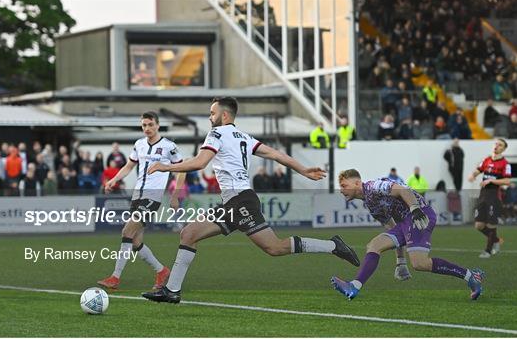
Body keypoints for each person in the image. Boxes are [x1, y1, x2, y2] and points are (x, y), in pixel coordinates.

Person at [142, 96, 359, 303]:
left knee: (275, 248)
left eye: (212, 113)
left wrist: (166, 166)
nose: (210, 117)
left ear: (224, 115)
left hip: (240, 202)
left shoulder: (216, 134)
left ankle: (332, 245)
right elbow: (275, 154)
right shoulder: (243, 137)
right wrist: (302, 169)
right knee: (189, 233)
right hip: (234, 202)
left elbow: (200, 163)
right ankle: (172, 290)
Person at [331, 169, 484, 301]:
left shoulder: (374, 186)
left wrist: (415, 209)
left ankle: (471, 276)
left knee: (419, 263)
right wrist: (400, 261)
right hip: (405, 222)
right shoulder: (371, 204)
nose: (342, 190)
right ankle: (354, 286)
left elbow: (402, 190)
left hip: (419, 214)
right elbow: (392, 227)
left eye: (344, 186)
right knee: (374, 245)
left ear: (357, 183)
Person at [97, 111, 185, 291]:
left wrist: (175, 195)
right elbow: (129, 166)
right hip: (137, 195)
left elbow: (182, 169)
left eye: (150, 124)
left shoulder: (169, 146)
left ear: (158, 125)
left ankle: (115, 277)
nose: (147, 128)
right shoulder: (139, 145)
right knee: (135, 241)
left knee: (126, 231)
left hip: (153, 197)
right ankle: (161, 271)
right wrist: (113, 180)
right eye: (144, 125)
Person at [468, 139, 512, 258]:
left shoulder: (505, 164)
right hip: (483, 196)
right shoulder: (486, 160)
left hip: (494, 196)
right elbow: (478, 170)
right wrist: (472, 175)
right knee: (479, 225)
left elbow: (507, 181)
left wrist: (492, 180)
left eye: (500, 145)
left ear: (503, 149)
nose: (497, 146)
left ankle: (488, 251)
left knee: (491, 224)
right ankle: (496, 240)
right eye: (496, 144)